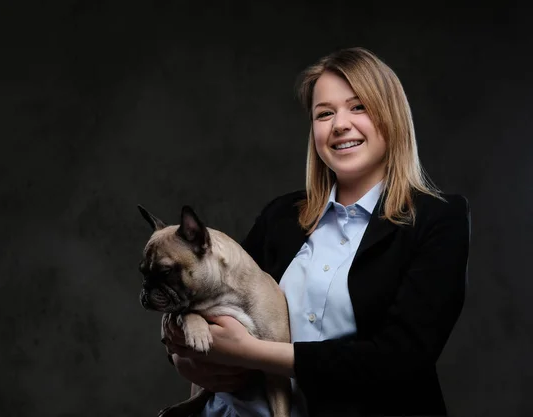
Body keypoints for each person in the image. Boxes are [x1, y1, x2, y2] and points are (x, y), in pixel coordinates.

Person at [163, 47, 471, 417]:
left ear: (392, 116)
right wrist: (182, 356)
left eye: (358, 107)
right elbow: (208, 302)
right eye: (324, 114)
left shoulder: (439, 220)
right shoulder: (281, 215)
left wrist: (249, 353)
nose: (339, 124)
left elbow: (402, 359)